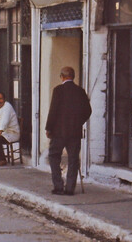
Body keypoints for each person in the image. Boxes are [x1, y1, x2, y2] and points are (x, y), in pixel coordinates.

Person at [45, 66, 91, 196]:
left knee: (54, 156)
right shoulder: (80, 91)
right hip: (74, 132)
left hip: (58, 132)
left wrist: (49, 128)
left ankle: (58, 186)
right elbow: (88, 111)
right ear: (73, 77)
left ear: (62, 77)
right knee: (73, 159)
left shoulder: (58, 90)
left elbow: (53, 111)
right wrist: (78, 122)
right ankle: (70, 188)